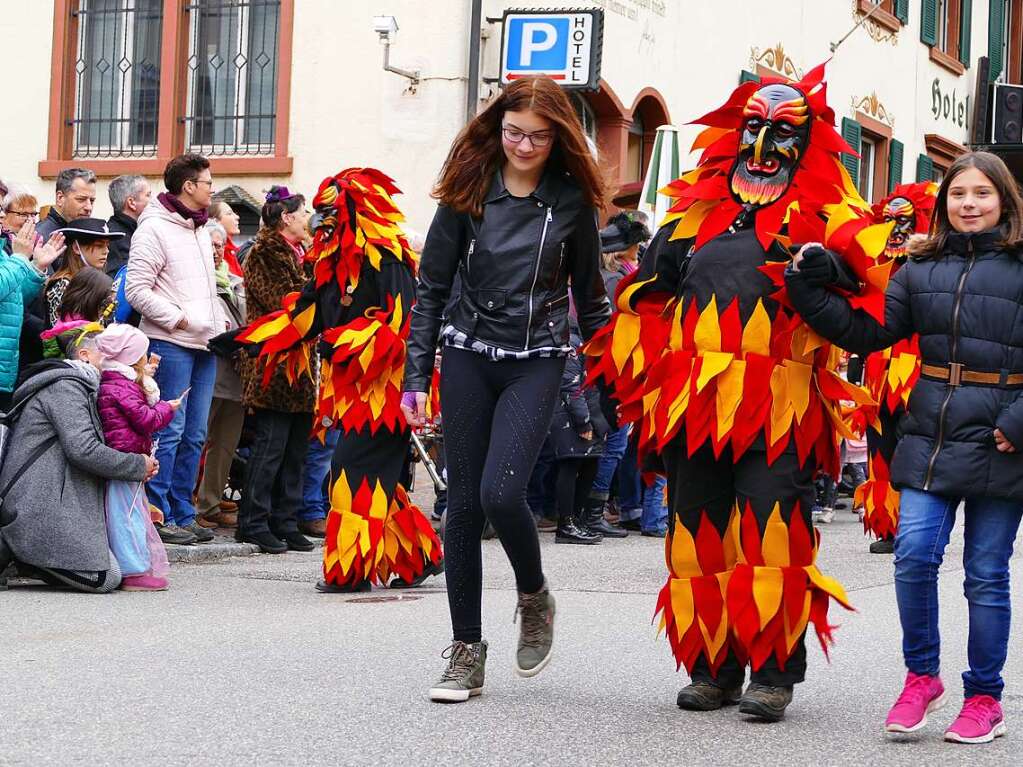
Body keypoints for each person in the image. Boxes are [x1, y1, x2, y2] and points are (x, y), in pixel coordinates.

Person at [587, 63, 867, 720]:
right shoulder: (691, 211)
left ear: (809, 142)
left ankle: (772, 671)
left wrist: (835, 269)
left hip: (781, 404)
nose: (764, 146)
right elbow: (645, 296)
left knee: (771, 533)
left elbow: (871, 283)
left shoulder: (830, 214)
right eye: (753, 128)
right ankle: (712, 667)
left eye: (782, 132)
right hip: (693, 403)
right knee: (696, 533)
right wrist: (643, 368)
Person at [786, 150, 1023, 745]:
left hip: (1005, 438)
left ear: (1005, 200)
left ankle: (985, 698)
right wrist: (808, 292)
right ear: (945, 203)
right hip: (933, 432)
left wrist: (1020, 422)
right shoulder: (919, 266)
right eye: (959, 194)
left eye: (982, 194)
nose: (969, 204)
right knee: (914, 555)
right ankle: (921, 677)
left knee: (986, 574)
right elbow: (871, 334)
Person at [402, 76, 611, 702]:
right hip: (466, 352)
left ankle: (534, 593)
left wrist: (618, 373)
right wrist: (417, 376)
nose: (522, 144)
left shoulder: (572, 202)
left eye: (537, 136)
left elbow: (592, 297)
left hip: (538, 358)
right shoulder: (466, 192)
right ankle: (466, 649)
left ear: (559, 138)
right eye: (513, 131)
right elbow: (431, 291)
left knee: (501, 493)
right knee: (462, 504)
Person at [223, 170, 443, 587]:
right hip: (349, 388)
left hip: (386, 390)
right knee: (371, 475)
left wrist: (343, 342)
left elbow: (402, 326)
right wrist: (245, 339)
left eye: (329, 212)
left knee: (349, 470)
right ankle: (418, 556)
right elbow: (305, 316)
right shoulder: (329, 265)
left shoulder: (389, 258)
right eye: (318, 213)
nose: (320, 221)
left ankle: (350, 571)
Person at [0, 325, 158, 592]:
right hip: (38, 503)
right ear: (85, 355)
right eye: (107, 355)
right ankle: (18, 548)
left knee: (112, 571)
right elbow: (84, 450)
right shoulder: (66, 387)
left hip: (59, 499)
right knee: (105, 578)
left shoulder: (88, 386)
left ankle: (30, 553)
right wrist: (136, 465)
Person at [125, 153, 224, 547]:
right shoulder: (154, 229)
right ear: (188, 187)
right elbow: (136, 289)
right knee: (170, 430)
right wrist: (179, 320)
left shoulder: (199, 228)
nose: (211, 189)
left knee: (196, 433)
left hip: (205, 343)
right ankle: (159, 513)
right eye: (208, 182)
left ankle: (185, 511)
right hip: (171, 342)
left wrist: (216, 323)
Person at [849, 182, 938, 554]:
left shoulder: (929, 267)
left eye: (902, 221)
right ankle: (887, 526)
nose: (894, 230)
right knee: (880, 446)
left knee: (915, 445)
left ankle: (917, 526)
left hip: (918, 368)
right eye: (887, 221)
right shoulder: (873, 268)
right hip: (878, 370)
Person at [234, 187, 316, 554]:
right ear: (286, 217)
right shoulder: (265, 251)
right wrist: (319, 289)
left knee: (296, 448)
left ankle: (286, 520)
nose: (308, 217)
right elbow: (284, 302)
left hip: (300, 366)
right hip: (274, 363)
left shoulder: (300, 252)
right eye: (303, 212)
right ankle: (253, 521)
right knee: (270, 447)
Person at [95, 324, 179, 590]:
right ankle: (132, 570)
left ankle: (134, 565)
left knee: (129, 511)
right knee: (126, 514)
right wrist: (168, 408)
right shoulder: (122, 386)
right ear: (132, 357)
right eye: (142, 353)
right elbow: (145, 420)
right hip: (126, 457)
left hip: (125, 455)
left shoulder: (116, 381)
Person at [195, 221, 246, 529]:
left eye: (219, 245)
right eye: (210, 244)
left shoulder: (235, 281)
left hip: (237, 374)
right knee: (199, 438)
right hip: (210, 368)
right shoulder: (198, 281)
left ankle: (210, 502)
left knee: (226, 443)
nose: (215, 250)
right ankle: (190, 504)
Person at [548, 332, 608, 544]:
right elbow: (570, 384)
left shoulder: (584, 338)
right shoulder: (571, 340)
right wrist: (582, 420)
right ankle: (566, 524)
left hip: (591, 413)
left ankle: (575, 520)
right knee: (571, 465)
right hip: (570, 416)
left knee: (590, 466)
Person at [1, 219, 64, 411]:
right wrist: (20, 258)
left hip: (6, 370)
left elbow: (13, 299)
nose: (2, 215)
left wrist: (36, 267)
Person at [44, 218, 123, 327]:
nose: (106, 251)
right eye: (99, 245)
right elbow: (61, 334)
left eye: (107, 245)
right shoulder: (63, 284)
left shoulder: (101, 282)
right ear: (76, 248)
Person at [105, 174, 152, 278]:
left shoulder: (139, 230)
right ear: (131, 202)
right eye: (148, 195)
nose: (153, 201)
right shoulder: (116, 238)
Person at [36, 167, 97, 242]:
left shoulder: (85, 233)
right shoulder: (38, 239)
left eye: (92, 201)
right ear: (60, 198)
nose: (89, 207)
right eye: (81, 199)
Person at [208, 200, 243, 276]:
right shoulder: (218, 253)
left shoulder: (232, 250)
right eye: (229, 213)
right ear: (215, 221)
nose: (237, 217)